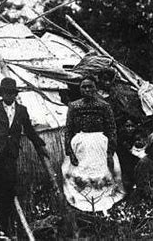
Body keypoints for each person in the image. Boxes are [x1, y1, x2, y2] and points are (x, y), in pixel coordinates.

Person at [0, 77, 47, 234]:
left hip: (11, 154)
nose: (8, 96)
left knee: (9, 188)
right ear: (1, 94)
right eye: (5, 93)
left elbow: (29, 130)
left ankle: (6, 226)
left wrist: (40, 145)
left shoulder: (22, 110)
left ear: (15, 94)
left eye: (11, 93)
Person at [62, 75, 124, 212]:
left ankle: (102, 206)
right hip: (80, 144)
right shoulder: (74, 106)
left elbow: (111, 128)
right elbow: (69, 130)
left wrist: (110, 151)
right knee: (80, 174)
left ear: (96, 88)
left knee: (102, 173)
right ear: (80, 89)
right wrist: (70, 152)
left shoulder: (104, 106)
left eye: (90, 86)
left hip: (100, 143)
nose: (87, 90)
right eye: (84, 87)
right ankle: (83, 205)